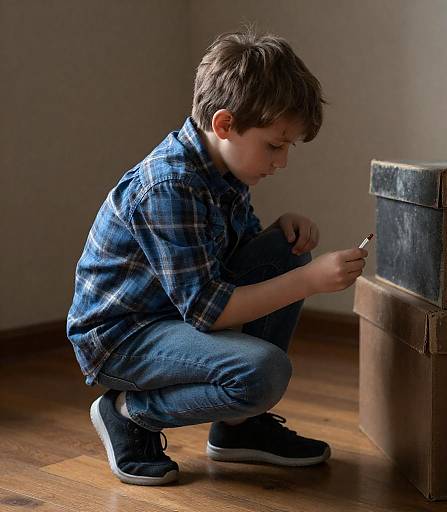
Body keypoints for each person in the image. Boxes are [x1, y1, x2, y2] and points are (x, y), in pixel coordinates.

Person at [67, 28, 368, 486]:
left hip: (173, 315)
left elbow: (241, 258)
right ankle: (129, 413)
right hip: (121, 337)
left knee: (285, 252)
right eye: (275, 144)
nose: (282, 161)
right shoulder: (169, 186)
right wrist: (309, 283)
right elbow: (211, 310)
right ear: (225, 124)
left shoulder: (224, 172)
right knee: (263, 373)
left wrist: (279, 228)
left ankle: (238, 429)